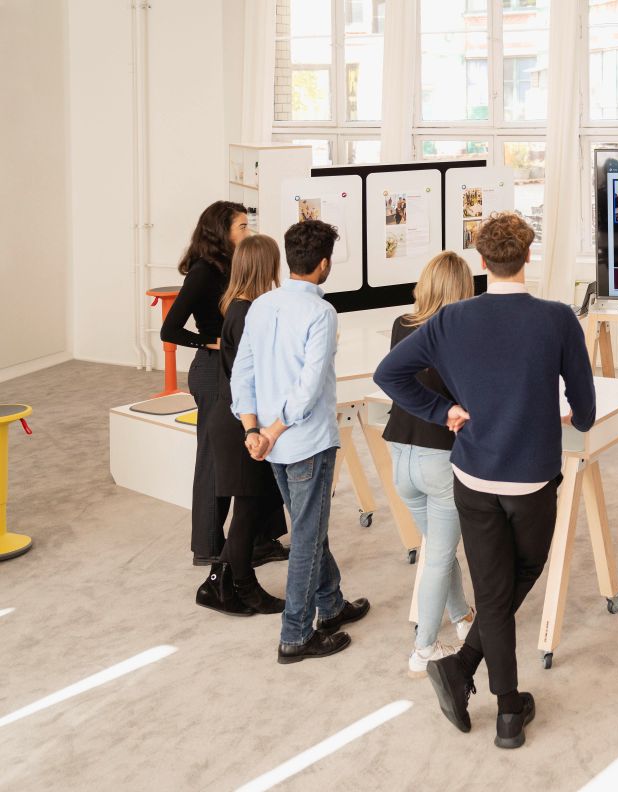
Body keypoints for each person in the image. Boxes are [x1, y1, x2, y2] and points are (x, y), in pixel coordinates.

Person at [374, 211, 596, 750]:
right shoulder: (558, 318)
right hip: (533, 479)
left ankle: (490, 695)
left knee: (493, 591)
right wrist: (566, 416)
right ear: (528, 257)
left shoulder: (451, 320)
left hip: (472, 477)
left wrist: (443, 409)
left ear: (481, 261)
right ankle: (500, 700)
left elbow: (389, 374)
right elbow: (585, 411)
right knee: (517, 578)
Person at [231, 219, 370, 664]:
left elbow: (243, 373)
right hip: (305, 440)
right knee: (307, 536)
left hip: (272, 445)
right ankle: (295, 635)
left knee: (309, 525)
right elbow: (309, 388)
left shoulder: (261, 305)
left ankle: (330, 607)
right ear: (324, 264)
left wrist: (254, 429)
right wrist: (271, 429)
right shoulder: (320, 313)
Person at [165, 201, 288, 568]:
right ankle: (207, 547)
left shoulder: (236, 266)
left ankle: (260, 540)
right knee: (215, 462)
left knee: (252, 457)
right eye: (241, 227)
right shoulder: (204, 272)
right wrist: (209, 340)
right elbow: (169, 329)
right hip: (213, 371)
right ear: (222, 232)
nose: (247, 232)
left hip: (235, 368)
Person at [383, 252, 477, 676]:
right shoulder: (461, 335)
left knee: (438, 547)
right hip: (439, 460)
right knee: (440, 554)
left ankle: (461, 617)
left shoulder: (401, 326)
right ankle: (423, 650)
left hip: (399, 456)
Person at [195, 235, 288, 617]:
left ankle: (219, 582)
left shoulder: (239, 307)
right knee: (250, 507)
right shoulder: (247, 312)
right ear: (266, 267)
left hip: (233, 417)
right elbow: (249, 375)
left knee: (253, 505)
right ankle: (235, 585)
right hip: (237, 422)